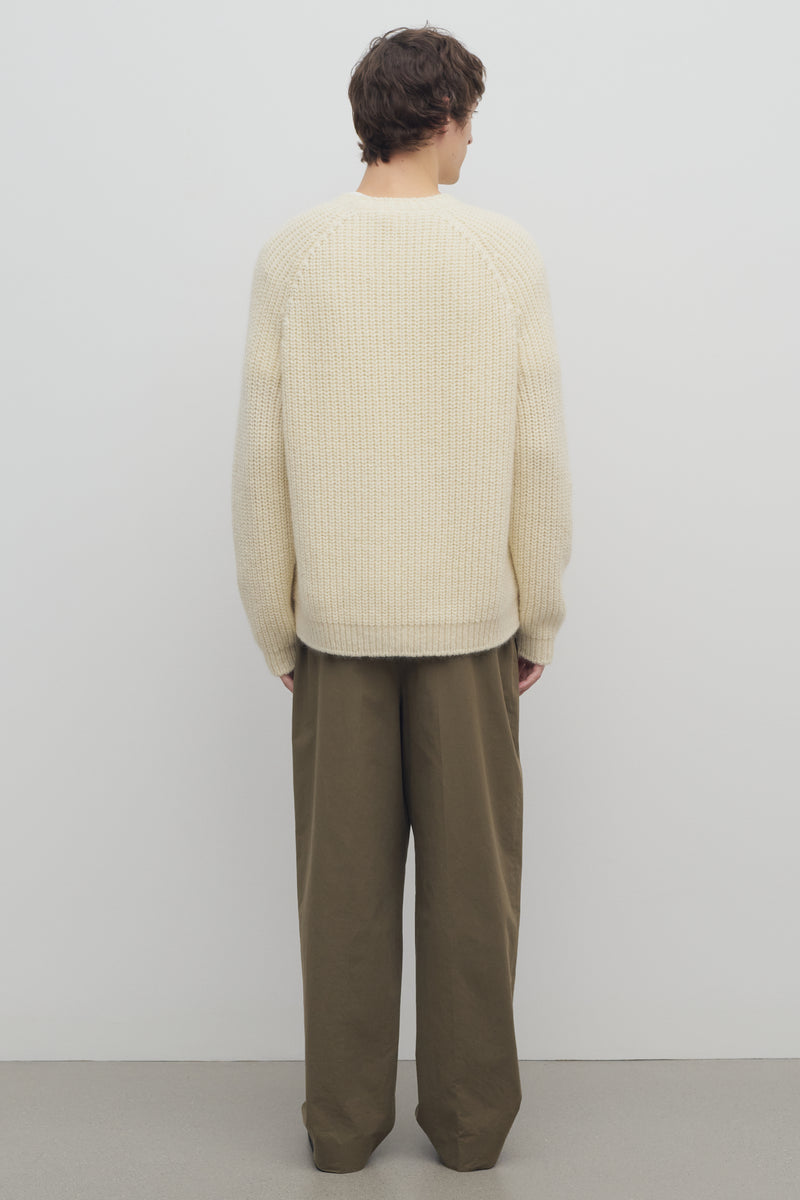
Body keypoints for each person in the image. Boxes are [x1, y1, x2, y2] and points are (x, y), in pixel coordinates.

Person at [231, 22, 572, 1175]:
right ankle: (469, 1131)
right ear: (440, 118)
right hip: (469, 630)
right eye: (470, 119)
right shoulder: (501, 255)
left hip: (334, 628)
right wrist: (539, 611)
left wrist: (275, 623)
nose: (473, 140)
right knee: (473, 895)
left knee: (341, 899)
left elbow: (259, 460)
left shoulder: (291, 255)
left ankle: (340, 1132)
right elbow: (537, 457)